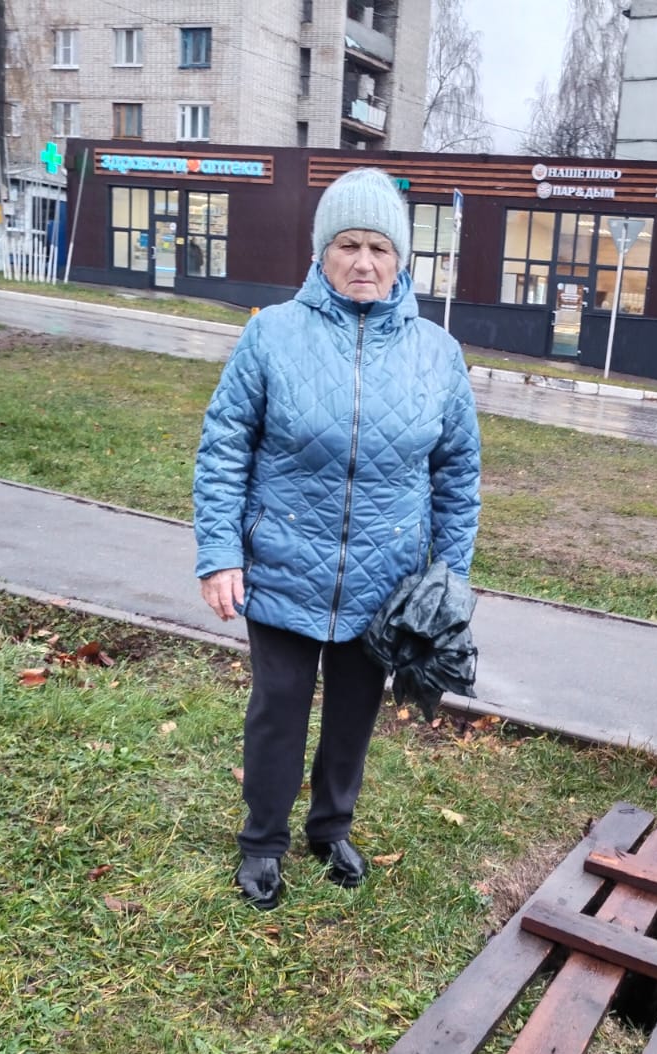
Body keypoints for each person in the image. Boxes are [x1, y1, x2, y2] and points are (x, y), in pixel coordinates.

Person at [193, 167, 482, 910]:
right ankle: (263, 842)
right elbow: (225, 446)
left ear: (402, 259)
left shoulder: (436, 355)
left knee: (354, 713)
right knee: (279, 709)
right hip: (283, 565)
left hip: (384, 581)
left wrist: (451, 578)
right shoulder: (271, 336)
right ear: (322, 253)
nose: (364, 262)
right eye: (348, 245)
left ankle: (331, 827)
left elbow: (457, 474)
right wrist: (220, 552)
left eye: (379, 248)